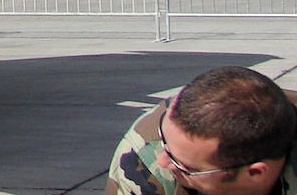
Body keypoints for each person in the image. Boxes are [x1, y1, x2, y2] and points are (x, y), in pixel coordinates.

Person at [108, 65, 297, 194]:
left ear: (255, 173)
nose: (163, 160)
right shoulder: (145, 159)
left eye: (185, 167)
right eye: (164, 139)